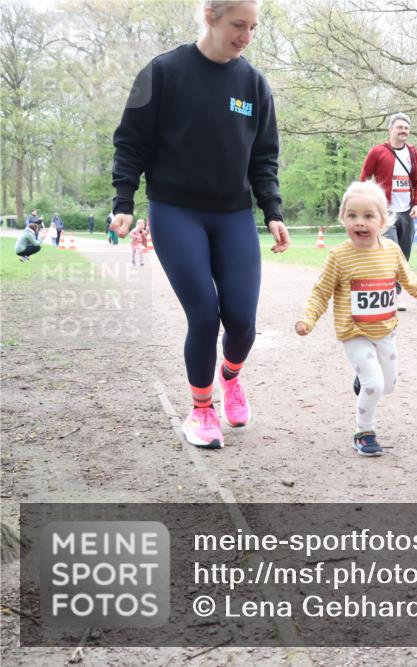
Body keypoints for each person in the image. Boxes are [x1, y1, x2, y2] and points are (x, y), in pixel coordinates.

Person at [111, 0, 290, 449]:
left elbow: (263, 157)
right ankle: (201, 411)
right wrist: (123, 200)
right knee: (205, 316)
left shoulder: (253, 84)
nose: (246, 35)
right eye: (238, 24)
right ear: (210, 15)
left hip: (233, 213)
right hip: (176, 211)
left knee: (243, 322)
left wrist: (273, 211)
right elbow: (131, 141)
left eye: (253, 27)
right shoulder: (163, 72)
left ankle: (231, 377)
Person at [294, 180, 417, 456]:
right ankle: (364, 432)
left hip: (385, 331)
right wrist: (308, 319)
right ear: (343, 218)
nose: (360, 222)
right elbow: (321, 292)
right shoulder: (339, 256)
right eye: (352, 215)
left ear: (384, 220)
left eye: (369, 216)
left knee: (387, 385)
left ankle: (364, 381)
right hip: (354, 333)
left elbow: (410, 281)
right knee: (374, 384)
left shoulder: (391, 251)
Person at [360, 112, 417, 308]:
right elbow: (363, 178)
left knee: (403, 256)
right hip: (386, 213)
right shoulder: (377, 152)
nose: (403, 131)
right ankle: (385, 294)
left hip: (407, 212)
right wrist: (369, 206)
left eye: (406, 128)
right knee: (390, 252)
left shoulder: (413, 153)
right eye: (400, 128)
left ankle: (394, 296)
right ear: (390, 130)